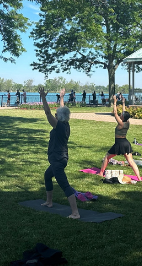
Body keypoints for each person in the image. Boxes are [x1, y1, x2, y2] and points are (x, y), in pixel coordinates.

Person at [40, 87, 80, 219]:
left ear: (59, 117)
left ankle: (75, 213)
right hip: (59, 158)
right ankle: (49, 202)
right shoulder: (65, 124)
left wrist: (44, 98)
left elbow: (47, 112)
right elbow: (62, 110)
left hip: (58, 159)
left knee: (64, 185)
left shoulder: (59, 126)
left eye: (57, 115)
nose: (55, 115)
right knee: (47, 176)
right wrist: (61, 98)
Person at [98, 93, 142, 180]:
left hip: (119, 144)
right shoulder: (127, 122)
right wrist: (123, 103)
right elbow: (125, 113)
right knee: (131, 161)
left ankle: (100, 173)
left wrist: (115, 102)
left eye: (121, 115)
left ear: (122, 117)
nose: (120, 115)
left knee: (107, 157)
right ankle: (139, 178)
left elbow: (115, 113)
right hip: (126, 143)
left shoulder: (121, 123)